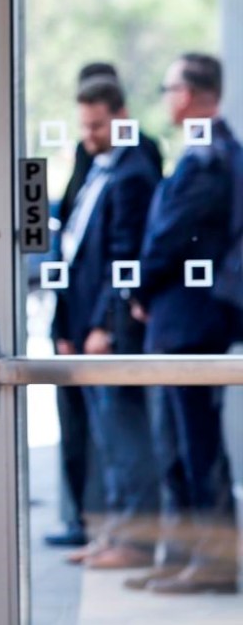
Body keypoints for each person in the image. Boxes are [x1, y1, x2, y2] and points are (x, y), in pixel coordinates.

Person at [127, 52, 241, 594]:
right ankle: (183, 556)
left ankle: (212, 563)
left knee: (195, 448)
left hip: (188, 321)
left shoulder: (211, 157)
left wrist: (140, 288)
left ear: (191, 94)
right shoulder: (206, 151)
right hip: (181, 319)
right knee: (176, 445)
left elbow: (171, 236)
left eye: (169, 87)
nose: (166, 97)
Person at [44, 61, 163, 549]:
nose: (88, 136)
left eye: (96, 126)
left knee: (122, 437)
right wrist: (67, 322)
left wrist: (103, 326)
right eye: (83, 126)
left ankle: (130, 542)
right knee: (103, 437)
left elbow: (123, 259)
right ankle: (111, 535)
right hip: (81, 322)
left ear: (121, 116)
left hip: (107, 330)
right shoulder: (95, 166)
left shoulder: (134, 172)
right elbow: (75, 251)